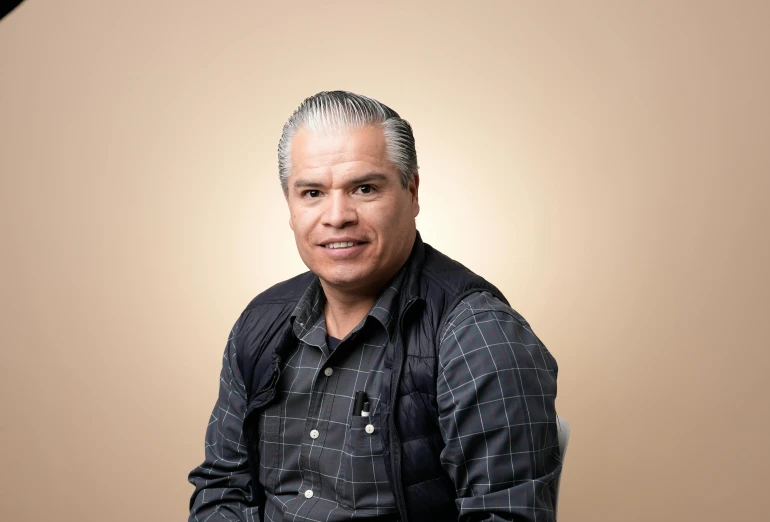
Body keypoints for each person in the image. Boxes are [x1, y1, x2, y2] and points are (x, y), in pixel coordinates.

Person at [188, 91, 561, 522]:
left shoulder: (478, 335)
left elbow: (506, 513)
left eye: (364, 188)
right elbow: (223, 488)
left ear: (412, 191)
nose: (337, 216)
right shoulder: (261, 322)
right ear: (289, 206)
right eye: (312, 192)